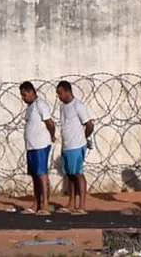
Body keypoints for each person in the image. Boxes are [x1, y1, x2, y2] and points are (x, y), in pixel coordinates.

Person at [55, 80, 94, 215]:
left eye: (60, 94)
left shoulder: (78, 106)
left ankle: (82, 205)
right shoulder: (62, 107)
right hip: (67, 145)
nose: (59, 97)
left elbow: (89, 125)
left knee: (78, 173)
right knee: (70, 175)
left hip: (77, 145)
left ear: (67, 91)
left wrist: (83, 138)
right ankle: (71, 203)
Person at [20, 81, 55, 216]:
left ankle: (45, 205)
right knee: (35, 175)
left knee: (42, 175)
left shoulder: (40, 104)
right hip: (31, 146)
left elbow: (50, 123)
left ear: (31, 92)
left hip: (41, 145)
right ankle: (37, 203)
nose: (23, 98)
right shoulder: (30, 107)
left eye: (24, 95)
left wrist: (51, 135)